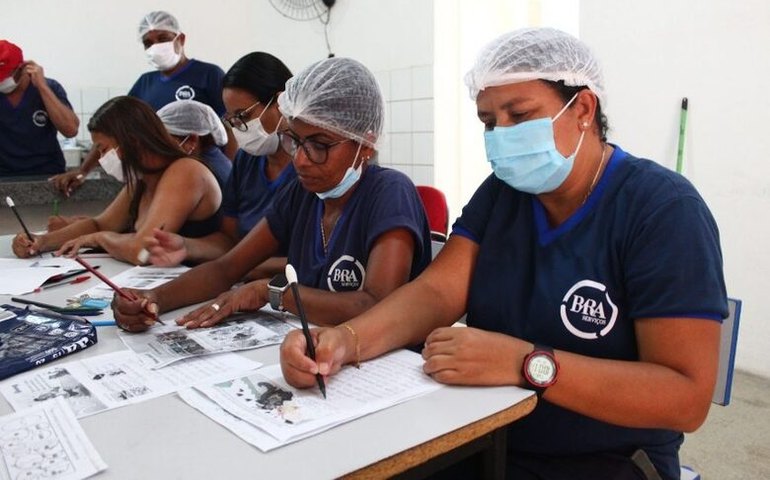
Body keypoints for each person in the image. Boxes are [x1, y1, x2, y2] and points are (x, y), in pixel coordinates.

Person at [280, 28, 727, 480]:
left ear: (584, 109)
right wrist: (345, 340)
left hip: (607, 459)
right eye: (490, 122)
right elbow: (436, 293)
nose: (502, 135)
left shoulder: (662, 210)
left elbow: (685, 398)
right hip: (488, 432)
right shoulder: (503, 194)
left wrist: (527, 363)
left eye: (520, 115)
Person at [111, 57, 432, 333]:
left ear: (366, 143)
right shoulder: (304, 194)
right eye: (295, 140)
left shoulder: (389, 194)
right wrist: (155, 298)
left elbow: (375, 304)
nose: (301, 159)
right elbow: (227, 268)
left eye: (319, 145)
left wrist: (274, 292)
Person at [12, 96, 222, 264]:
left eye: (104, 150)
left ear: (131, 142)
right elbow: (99, 223)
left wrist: (99, 238)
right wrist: (39, 241)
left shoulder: (185, 171)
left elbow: (143, 250)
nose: (102, 159)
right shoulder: (143, 178)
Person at [49, 11, 235, 194]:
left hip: (205, 170)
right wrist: (83, 171)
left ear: (181, 39)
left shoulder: (208, 75)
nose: (156, 46)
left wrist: (233, 172)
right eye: (148, 43)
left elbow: (230, 126)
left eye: (162, 38)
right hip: (163, 175)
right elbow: (112, 129)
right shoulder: (145, 83)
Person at [144, 52, 296, 270]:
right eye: (232, 120)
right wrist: (186, 247)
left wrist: (239, 266)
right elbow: (228, 241)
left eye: (243, 116)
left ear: (281, 103)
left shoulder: (311, 166)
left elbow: (314, 260)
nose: (239, 128)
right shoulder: (247, 161)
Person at [0, 40, 79, 176]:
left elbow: (71, 130)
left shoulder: (49, 87)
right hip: (5, 176)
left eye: (4, 77)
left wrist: (42, 87)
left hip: (48, 173)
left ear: (23, 68)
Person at [157, 99, 231, 189]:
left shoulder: (197, 173)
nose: (158, 146)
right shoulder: (214, 158)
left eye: (164, 139)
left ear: (192, 140)